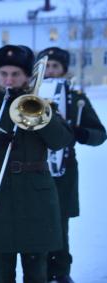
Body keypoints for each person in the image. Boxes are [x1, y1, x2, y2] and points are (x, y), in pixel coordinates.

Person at [0, 45, 74, 283]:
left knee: (37, 269)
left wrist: (39, 113)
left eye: (16, 74)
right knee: (2, 269)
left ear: (27, 77)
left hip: (37, 197)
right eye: (4, 74)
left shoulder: (44, 106)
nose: (9, 79)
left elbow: (61, 141)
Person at [36, 47, 107, 283]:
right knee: (34, 222)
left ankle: (61, 271)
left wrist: (80, 133)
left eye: (56, 66)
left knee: (59, 223)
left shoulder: (76, 98)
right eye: (47, 66)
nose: (51, 71)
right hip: (33, 170)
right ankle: (38, 272)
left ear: (64, 70)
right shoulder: (28, 95)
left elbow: (99, 133)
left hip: (63, 172)